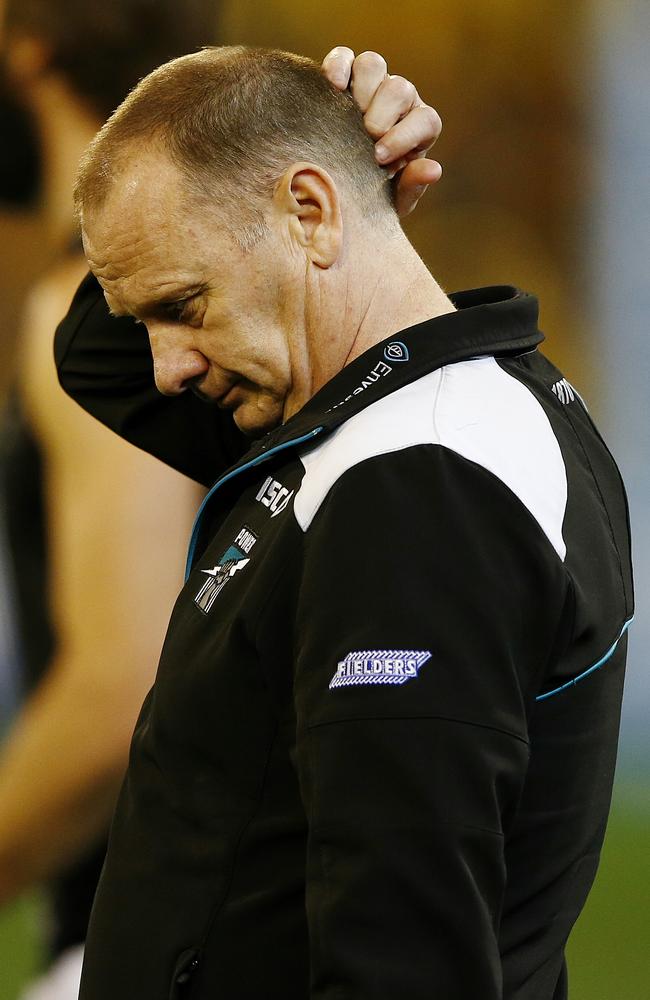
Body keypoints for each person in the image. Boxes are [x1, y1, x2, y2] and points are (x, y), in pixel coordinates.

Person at [57, 45, 633, 1000]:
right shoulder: (409, 403)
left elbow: (403, 959)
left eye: (182, 306)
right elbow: (95, 358)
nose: (166, 369)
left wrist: (331, 191)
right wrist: (340, 187)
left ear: (309, 212)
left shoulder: (419, 488)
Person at [0, 3, 440, 995]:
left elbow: (119, 687)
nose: (169, 365)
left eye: (177, 308)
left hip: (170, 948)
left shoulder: (103, 325)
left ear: (28, 42)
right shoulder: (238, 329)